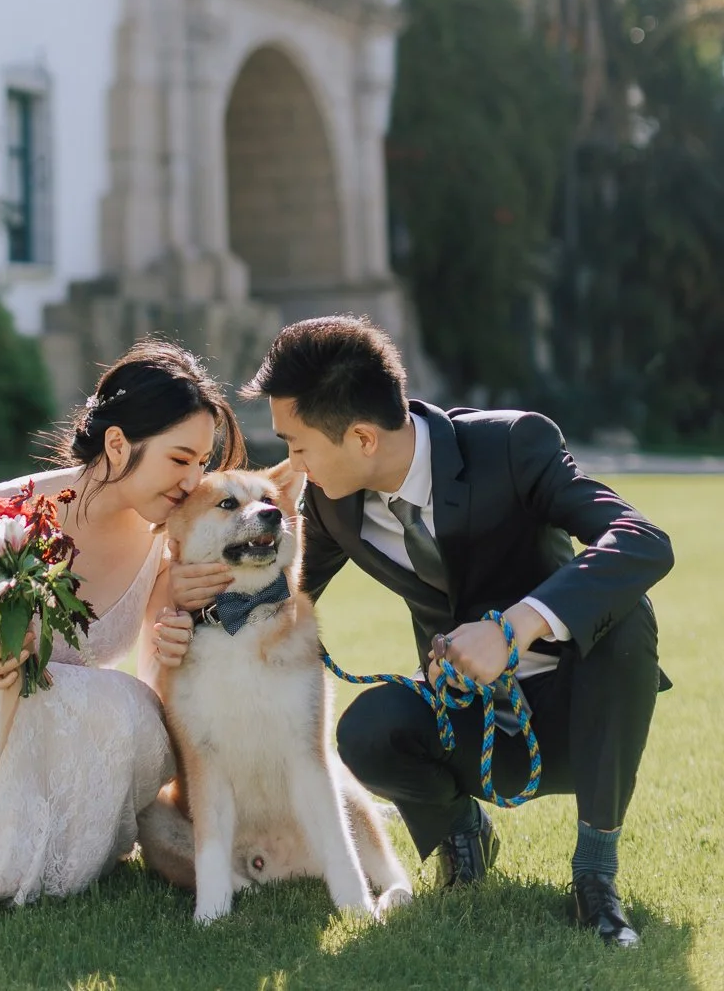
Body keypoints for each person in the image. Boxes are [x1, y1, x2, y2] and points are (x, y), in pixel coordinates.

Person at [166, 315, 673, 949]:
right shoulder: (331, 500)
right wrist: (185, 602)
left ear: (361, 437)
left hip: (586, 721)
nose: (290, 466)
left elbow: (642, 541)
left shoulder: (513, 445)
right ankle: (462, 836)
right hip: (473, 722)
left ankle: (595, 875)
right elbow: (274, 595)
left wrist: (512, 629)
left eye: (297, 446)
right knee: (367, 728)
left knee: (628, 618)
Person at [0, 338, 243, 908]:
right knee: (64, 696)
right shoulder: (1, 514)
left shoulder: (164, 541)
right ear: (117, 443)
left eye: (203, 463)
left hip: (69, 749)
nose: (193, 480)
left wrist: (175, 635)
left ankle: (74, 846)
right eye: (181, 459)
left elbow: (155, 680)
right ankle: (14, 851)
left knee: (129, 705)